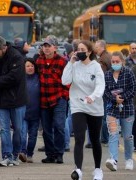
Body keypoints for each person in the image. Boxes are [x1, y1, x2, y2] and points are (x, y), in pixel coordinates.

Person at [62, 40, 105, 180]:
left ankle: (98, 169)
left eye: (82, 49)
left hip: (94, 107)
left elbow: (100, 86)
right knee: (79, 138)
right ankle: (78, 169)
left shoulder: (96, 67)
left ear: (89, 52)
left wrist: (93, 97)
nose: (79, 51)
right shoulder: (74, 66)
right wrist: (70, 62)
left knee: (94, 139)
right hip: (78, 105)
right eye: (78, 49)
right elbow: (65, 81)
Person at [0, 36, 27, 167]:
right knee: (4, 129)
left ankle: (15, 154)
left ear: (4, 47)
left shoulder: (17, 57)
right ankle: (6, 155)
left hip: (17, 99)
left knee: (18, 129)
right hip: (1, 99)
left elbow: (14, 77)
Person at [36, 36, 68, 164]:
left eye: (49, 46)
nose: (47, 48)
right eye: (45, 46)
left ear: (55, 48)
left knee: (59, 126)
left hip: (58, 98)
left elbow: (68, 79)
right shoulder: (38, 61)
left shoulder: (62, 61)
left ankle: (59, 154)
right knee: (46, 129)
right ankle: (50, 154)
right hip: (44, 99)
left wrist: (65, 96)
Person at [104, 51, 136, 171]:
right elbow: (105, 91)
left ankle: (129, 159)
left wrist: (122, 98)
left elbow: (133, 89)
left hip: (127, 109)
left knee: (127, 136)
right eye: (113, 62)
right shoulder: (107, 75)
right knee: (113, 134)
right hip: (112, 109)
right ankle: (113, 160)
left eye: (117, 61)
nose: (115, 63)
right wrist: (114, 99)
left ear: (122, 62)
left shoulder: (129, 73)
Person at [18, 58, 40, 163]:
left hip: (36, 113)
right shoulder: (21, 79)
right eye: (27, 66)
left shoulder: (38, 78)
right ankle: (23, 152)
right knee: (23, 134)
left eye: (32, 66)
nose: (30, 68)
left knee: (33, 135)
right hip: (23, 112)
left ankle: (30, 154)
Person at [94, 39, 112, 147]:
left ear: (101, 47)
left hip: (105, 90)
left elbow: (101, 76)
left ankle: (105, 138)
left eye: (96, 47)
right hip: (110, 89)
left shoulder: (102, 60)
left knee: (104, 115)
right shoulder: (108, 56)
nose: (95, 49)